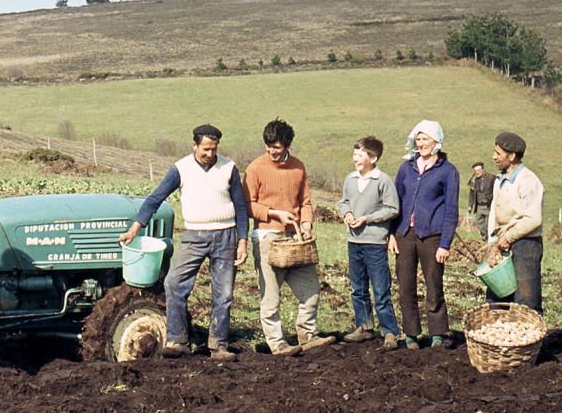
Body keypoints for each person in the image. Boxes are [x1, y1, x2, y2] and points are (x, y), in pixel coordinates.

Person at [119, 124, 248, 361]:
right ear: (194, 145)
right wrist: (135, 228)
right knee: (174, 283)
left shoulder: (229, 168)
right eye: (205, 149)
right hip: (194, 235)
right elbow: (156, 198)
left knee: (224, 293)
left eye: (214, 149)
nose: (210, 154)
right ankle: (177, 340)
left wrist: (242, 241)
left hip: (225, 235)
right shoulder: (181, 169)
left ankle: (218, 345)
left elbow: (241, 206)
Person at [244, 119, 334, 356]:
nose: (272, 151)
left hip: (295, 238)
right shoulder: (255, 168)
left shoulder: (298, 167)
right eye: (269, 145)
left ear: (287, 145)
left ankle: (307, 335)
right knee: (271, 294)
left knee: (311, 290)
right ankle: (277, 343)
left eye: (277, 146)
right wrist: (273, 213)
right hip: (267, 236)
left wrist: (306, 223)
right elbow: (248, 205)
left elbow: (305, 202)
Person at [388, 120, 460, 350]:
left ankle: (438, 333)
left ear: (436, 142)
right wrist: (391, 234)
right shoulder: (405, 169)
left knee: (433, 283)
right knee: (405, 284)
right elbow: (395, 203)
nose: (421, 144)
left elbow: (451, 209)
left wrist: (445, 243)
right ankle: (411, 334)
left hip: (432, 236)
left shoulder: (448, 171)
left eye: (425, 139)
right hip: (405, 235)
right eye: (418, 139)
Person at [339, 137, 401, 351]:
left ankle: (389, 331)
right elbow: (344, 201)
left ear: (373, 158)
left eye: (360, 154)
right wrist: (346, 214)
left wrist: (367, 218)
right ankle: (364, 326)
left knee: (380, 288)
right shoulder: (350, 179)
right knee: (357, 288)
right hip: (353, 240)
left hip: (374, 242)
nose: (355, 158)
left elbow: (392, 209)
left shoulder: (382, 180)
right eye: (354, 153)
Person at [487, 132, 544, 313]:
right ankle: (500, 338)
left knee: (526, 298)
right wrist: (492, 244)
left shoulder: (528, 180)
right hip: (503, 242)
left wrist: (509, 237)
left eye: (498, 153)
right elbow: (493, 214)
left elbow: (533, 219)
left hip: (526, 244)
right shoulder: (500, 180)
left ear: (511, 156)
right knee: (497, 295)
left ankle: (528, 338)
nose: (494, 157)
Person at [468, 161, 495, 241]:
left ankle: (489, 240)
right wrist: (470, 205)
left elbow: (497, 190)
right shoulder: (474, 180)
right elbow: (471, 194)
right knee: (480, 224)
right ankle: (484, 239)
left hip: (488, 205)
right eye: (475, 171)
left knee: (488, 225)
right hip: (479, 206)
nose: (477, 172)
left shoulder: (491, 178)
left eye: (478, 170)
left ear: (483, 170)